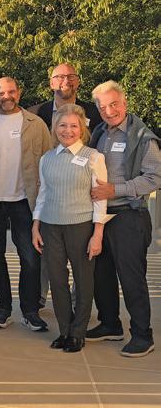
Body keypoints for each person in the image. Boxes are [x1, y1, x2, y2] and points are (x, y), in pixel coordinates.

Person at [0, 77, 52, 331]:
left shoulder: (36, 124)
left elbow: (48, 162)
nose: (7, 96)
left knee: (30, 257)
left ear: (19, 92)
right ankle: (3, 309)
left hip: (25, 202)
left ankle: (30, 311)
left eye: (11, 91)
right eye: (1, 93)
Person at [86, 80, 160, 357]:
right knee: (101, 274)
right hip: (101, 216)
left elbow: (155, 177)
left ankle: (142, 335)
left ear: (125, 103)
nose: (109, 111)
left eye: (114, 104)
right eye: (103, 107)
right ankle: (110, 324)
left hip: (129, 216)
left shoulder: (142, 137)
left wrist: (115, 190)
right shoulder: (99, 133)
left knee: (131, 278)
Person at [31, 105, 108, 353]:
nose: (68, 130)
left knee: (83, 280)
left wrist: (97, 234)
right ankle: (64, 331)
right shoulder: (47, 159)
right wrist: (36, 225)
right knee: (57, 280)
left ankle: (78, 333)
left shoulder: (94, 157)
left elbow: (100, 199)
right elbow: (43, 194)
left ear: (82, 129)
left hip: (81, 227)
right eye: (63, 125)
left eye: (74, 125)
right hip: (51, 226)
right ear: (55, 128)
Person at [27, 63, 102, 131]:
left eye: (71, 77)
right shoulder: (35, 114)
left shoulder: (94, 113)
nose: (66, 81)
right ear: (51, 83)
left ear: (78, 82)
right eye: (60, 77)